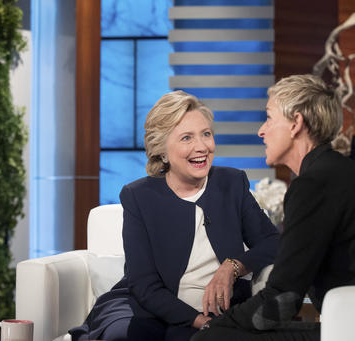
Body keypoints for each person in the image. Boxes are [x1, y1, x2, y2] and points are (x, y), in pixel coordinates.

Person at [70, 90, 280, 341]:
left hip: (221, 309)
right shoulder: (138, 196)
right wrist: (201, 323)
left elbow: (273, 242)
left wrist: (232, 266)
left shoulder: (232, 183)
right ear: (162, 151)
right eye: (186, 138)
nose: (201, 147)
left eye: (206, 134)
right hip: (153, 309)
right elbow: (144, 286)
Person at [192, 74, 355, 341]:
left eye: (269, 118)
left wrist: (222, 324)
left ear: (296, 124)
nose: (261, 130)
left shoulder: (313, 184)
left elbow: (282, 300)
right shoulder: (338, 171)